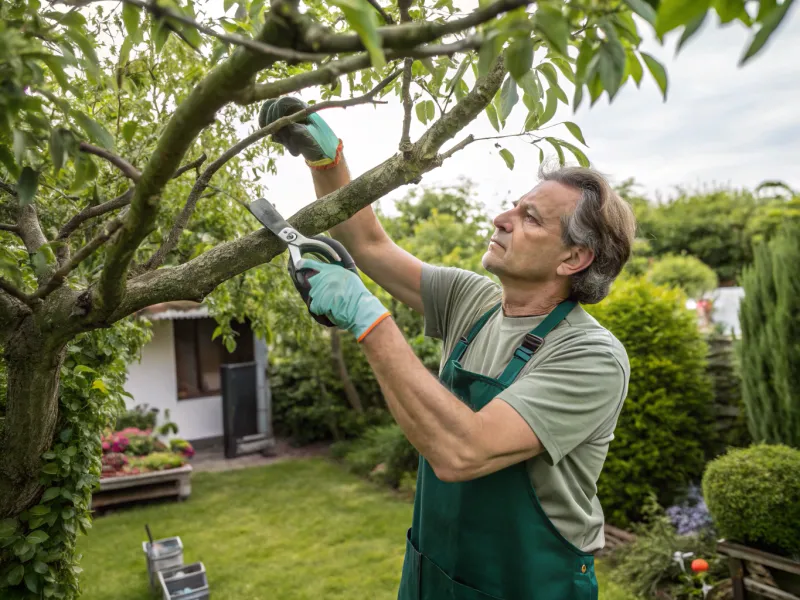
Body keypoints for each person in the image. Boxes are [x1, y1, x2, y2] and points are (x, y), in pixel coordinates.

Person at [259, 97, 637, 600]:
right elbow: (369, 245)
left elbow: (465, 451)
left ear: (574, 257)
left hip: (528, 585)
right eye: (513, 205)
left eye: (530, 218)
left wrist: (369, 319)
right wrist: (329, 163)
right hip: (435, 573)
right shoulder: (474, 301)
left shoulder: (590, 356)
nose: (502, 218)